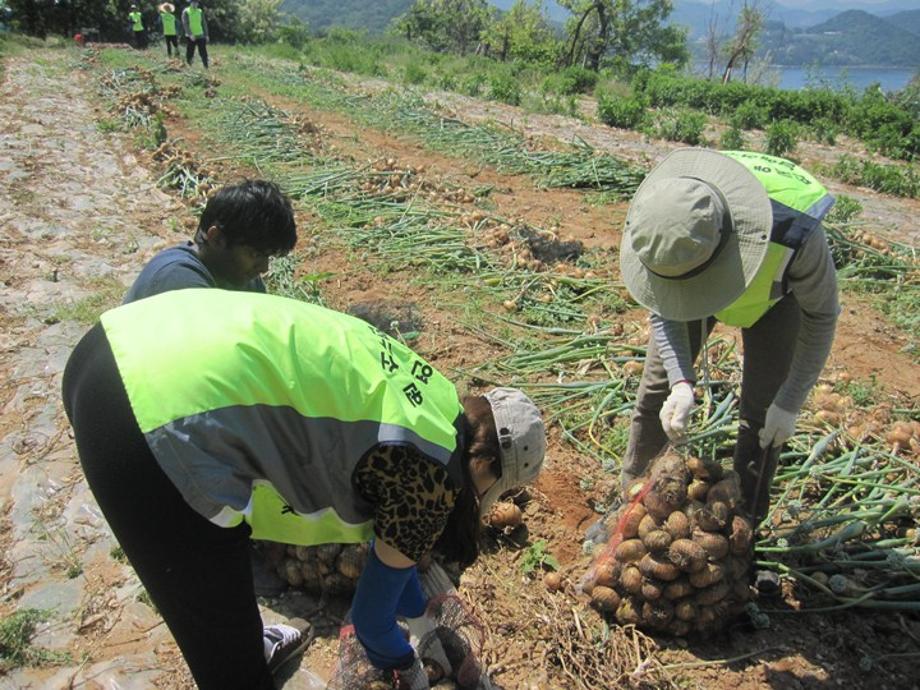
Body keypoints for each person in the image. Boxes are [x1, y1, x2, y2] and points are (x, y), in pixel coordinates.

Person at [62, 288, 547, 690]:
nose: (484, 499)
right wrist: (410, 668)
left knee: (223, 598)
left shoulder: (432, 403)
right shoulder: (434, 480)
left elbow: (394, 573)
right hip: (155, 418)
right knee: (231, 674)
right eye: (495, 488)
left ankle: (248, 644)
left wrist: (423, 618)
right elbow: (371, 624)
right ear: (484, 464)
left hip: (120, 341)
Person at [618, 149, 838, 527]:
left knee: (763, 417)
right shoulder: (662, 217)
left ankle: (743, 523)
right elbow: (662, 302)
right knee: (656, 394)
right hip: (691, 271)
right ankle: (630, 507)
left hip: (776, 300)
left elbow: (821, 316)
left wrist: (790, 402)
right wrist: (680, 382)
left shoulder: (797, 233)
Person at [124, 179, 296, 303]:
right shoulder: (177, 279)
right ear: (217, 238)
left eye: (268, 257)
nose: (264, 268)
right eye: (255, 254)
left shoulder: (243, 278)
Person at [182, 0, 208, 69]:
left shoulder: (200, 11)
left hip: (200, 34)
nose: (195, 4)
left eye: (196, 3)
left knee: (203, 52)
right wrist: (190, 34)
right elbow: (185, 24)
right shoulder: (186, 11)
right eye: (193, 2)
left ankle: (206, 66)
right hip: (191, 36)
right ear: (190, 3)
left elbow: (204, 23)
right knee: (190, 52)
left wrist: (206, 34)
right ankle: (189, 66)